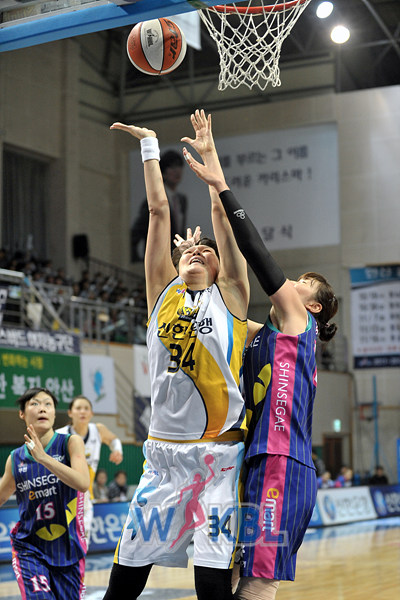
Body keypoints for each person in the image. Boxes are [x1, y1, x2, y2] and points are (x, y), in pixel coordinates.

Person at [183, 114, 339, 600]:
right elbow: (232, 265)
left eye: (303, 284)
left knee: (257, 580)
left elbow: (255, 252)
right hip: (254, 460)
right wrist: (212, 174)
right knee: (233, 575)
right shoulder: (259, 334)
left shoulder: (299, 324)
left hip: (283, 462)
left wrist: (223, 184)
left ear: (313, 306)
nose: (291, 282)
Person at [104, 110, 249, 600]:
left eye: (206, 252)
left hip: (218, 460)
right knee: (124, 581)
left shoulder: (231, 296)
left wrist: (211, 163)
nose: (197, 251)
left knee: (210, 581)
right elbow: (158, 212)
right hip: (163, 459)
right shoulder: (161, 293)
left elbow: (223, 223)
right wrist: (149, 145)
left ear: (221, 267)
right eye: (189, 250)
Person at [0, 387, 89, 600]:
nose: (43, 408)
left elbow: (83, 483)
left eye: (48, 404)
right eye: (35, 404)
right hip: (29, 547)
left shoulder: (70, 442)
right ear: (22, 413)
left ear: (54, 413)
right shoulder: (16, 458)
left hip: (68, 548)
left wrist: (44, 458)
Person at [56, 395, 123, 545]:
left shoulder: (97, 430)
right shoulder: (59, 434)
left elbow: (113, 439)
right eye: (78, 408)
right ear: (70, 413)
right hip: (63, 495)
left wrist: (117, 450)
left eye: (86, 408)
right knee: (62, 542)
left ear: (91, 413)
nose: (82, 411)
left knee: (82, 542)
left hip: (86, 495)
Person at [130, 149, 188, 262]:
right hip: (159, 259)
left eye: (179, 166)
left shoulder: (182, 200)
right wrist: (137, 259)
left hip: (178, 259)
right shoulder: (153, 199)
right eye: (172, 167)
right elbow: (136, 232)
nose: (177, 171)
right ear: (164, 172)